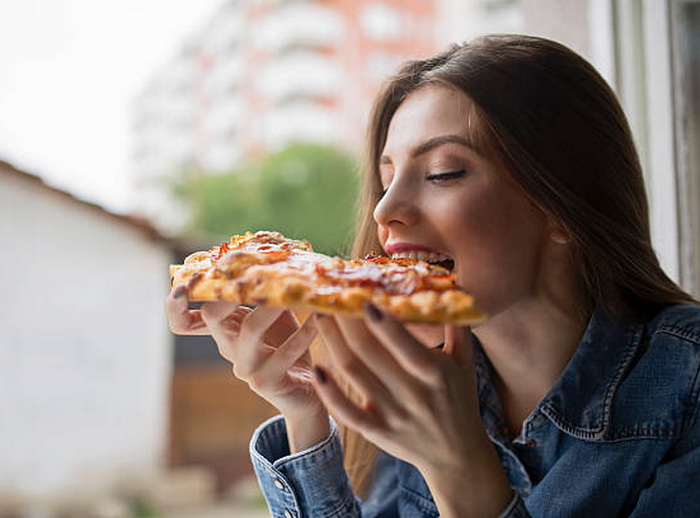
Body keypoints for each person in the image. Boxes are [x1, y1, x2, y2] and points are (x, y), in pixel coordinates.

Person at [166, 34, 700, 517]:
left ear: (562, 205)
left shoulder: (688, 383)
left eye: (443, 173)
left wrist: (460, 472)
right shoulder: (411, 378)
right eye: (387, 178)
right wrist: (304, 410)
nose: (384, 211)